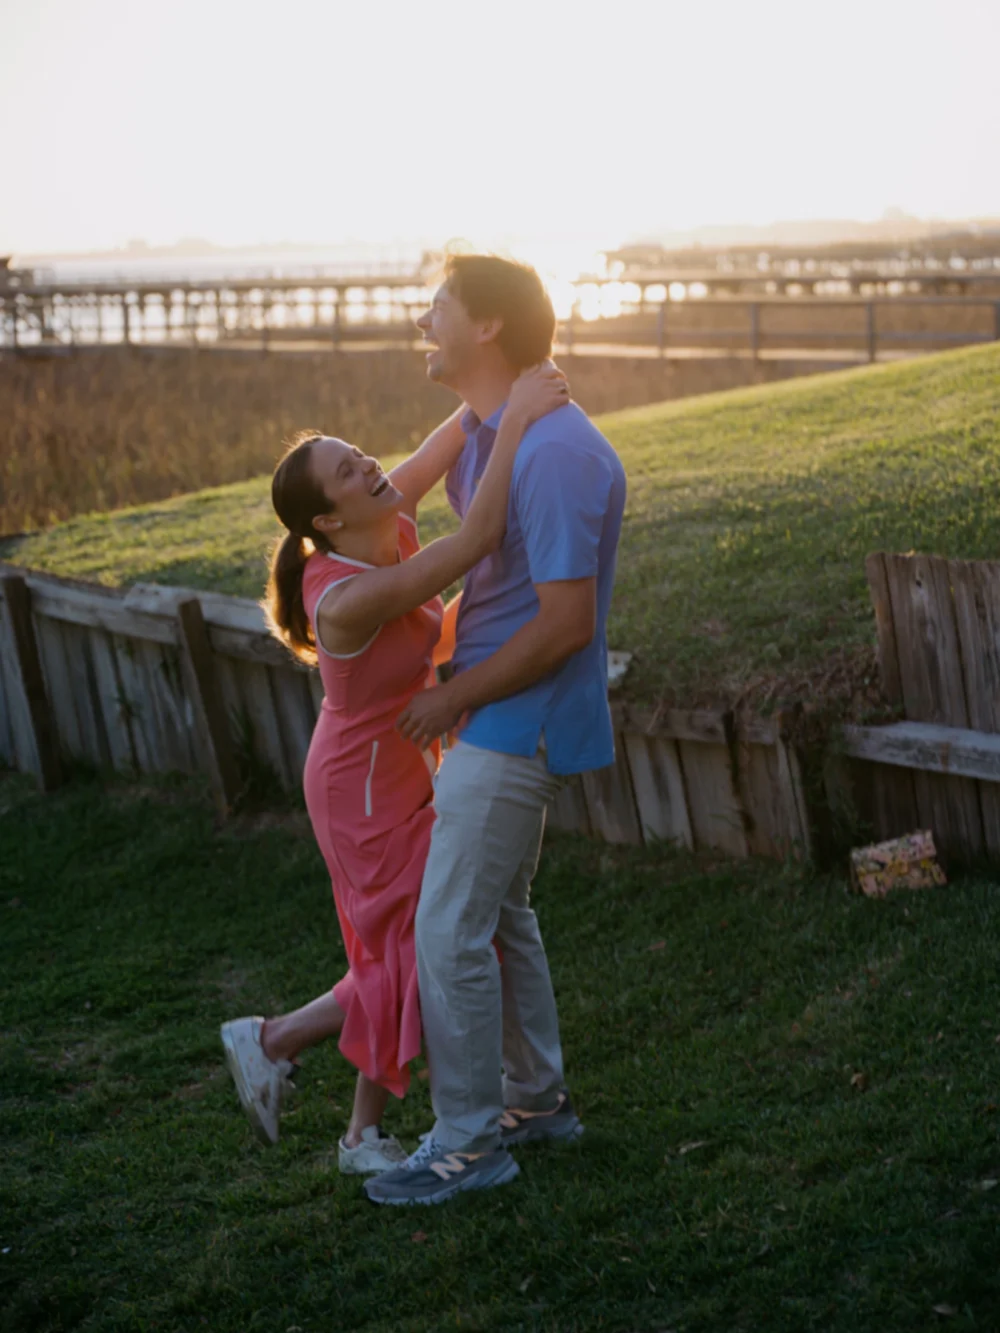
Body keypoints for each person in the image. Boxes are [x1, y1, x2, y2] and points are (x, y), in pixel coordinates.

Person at [220, 360, 569, 1174]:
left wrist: (495, 388)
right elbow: (477, 538)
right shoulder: (342, 597)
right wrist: (515, 418)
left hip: (400, 765)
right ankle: (281, 1047)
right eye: (349, 471)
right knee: (415, 941)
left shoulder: (383, 517)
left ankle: (348, 1122)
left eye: (359, 455)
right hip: (358, 792)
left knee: (407, 945)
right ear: (324, 519)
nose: (369, 468)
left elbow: (437, 444)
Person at [364, 254, 627, 1206]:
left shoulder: (555, 452)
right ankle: (538, 1101)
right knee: (502, 918)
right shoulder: (493, 429)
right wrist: (499, 398)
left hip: (520, 722)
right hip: (495, 715)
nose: (421, 319)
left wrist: (450, 694)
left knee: (449, 928)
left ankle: (468, 1142)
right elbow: (403, 490)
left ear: (485, 327)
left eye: (438, 305)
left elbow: (566, 624)